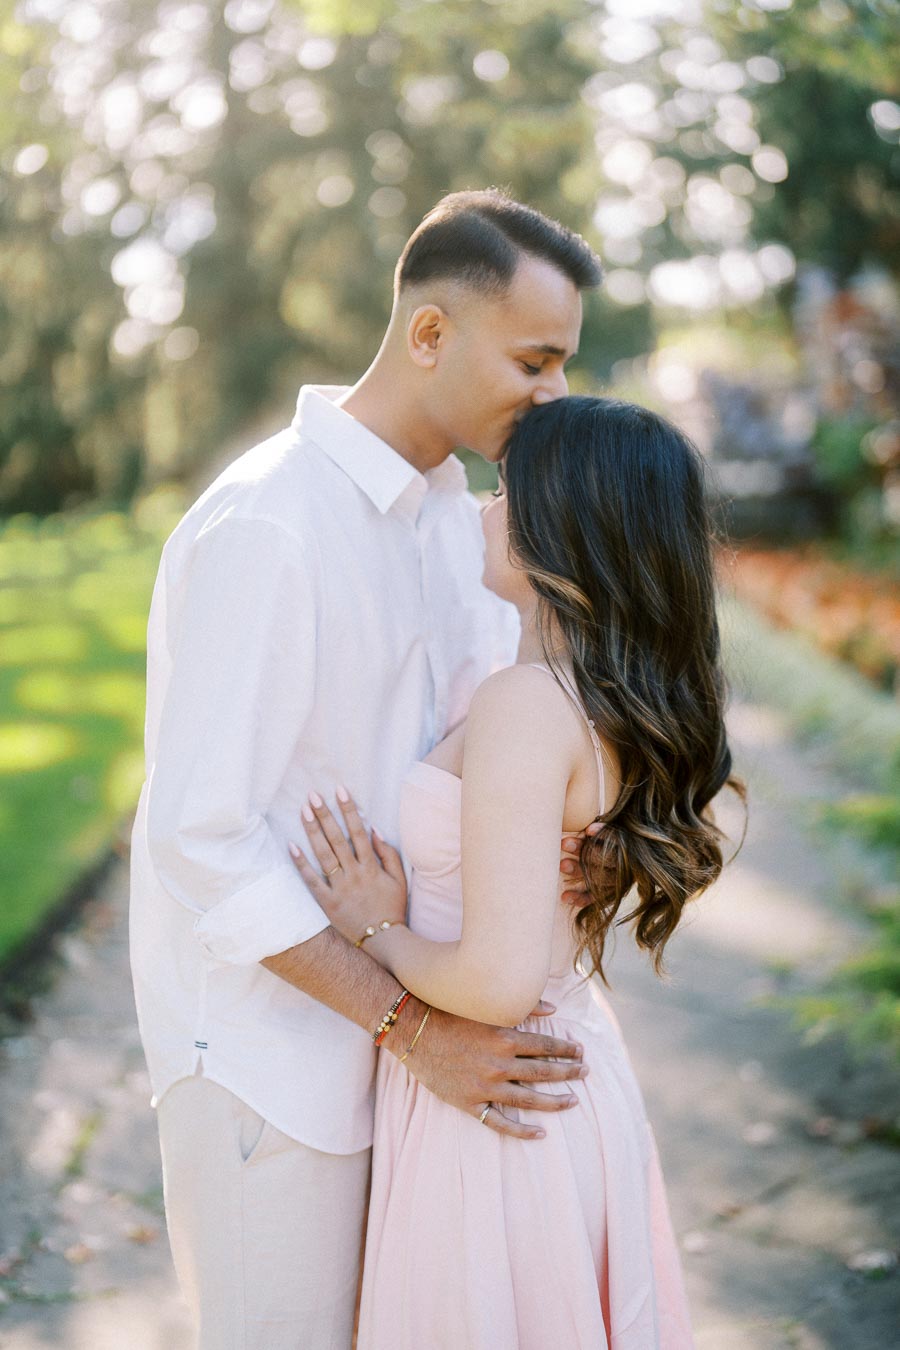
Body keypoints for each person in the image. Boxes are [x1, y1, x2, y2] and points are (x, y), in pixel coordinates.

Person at [128, 189, 604, 1348]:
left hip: (421, 1054)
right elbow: (200, 836)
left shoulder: (463, 524)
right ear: (430, 334)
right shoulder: (271, 524)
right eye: (534, 362)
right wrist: (411, 1026)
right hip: (273, 1063)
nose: (554, 398)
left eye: (564, 368)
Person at [291, 394, 745, 1349]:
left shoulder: (528, 706)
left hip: (500, 1102)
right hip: (555, 1076)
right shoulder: (591, 696)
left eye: (506, 490)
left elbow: (493, 984)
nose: (486, 509)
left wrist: (378, 924)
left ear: (561, 528)